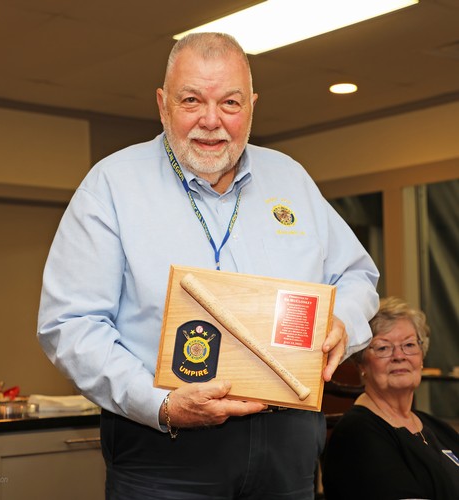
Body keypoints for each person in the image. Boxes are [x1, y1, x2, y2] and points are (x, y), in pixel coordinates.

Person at [37, 32, 379, 500]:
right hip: (166, 452)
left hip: (289, 445)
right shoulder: (111, 186)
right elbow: (71, 325)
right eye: (192, 100)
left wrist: (343, 322)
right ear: (163, 104)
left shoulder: (291, 180)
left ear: (252, 106)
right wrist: (160, 405)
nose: (211, 121)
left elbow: (358, 275)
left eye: (231, 103)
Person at [322, 297, 459, 500]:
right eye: (383, 347)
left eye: (409, 344)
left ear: (421, 358)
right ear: (361, 364)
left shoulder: (437, 427)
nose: (399, 356)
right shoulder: (357, 435)